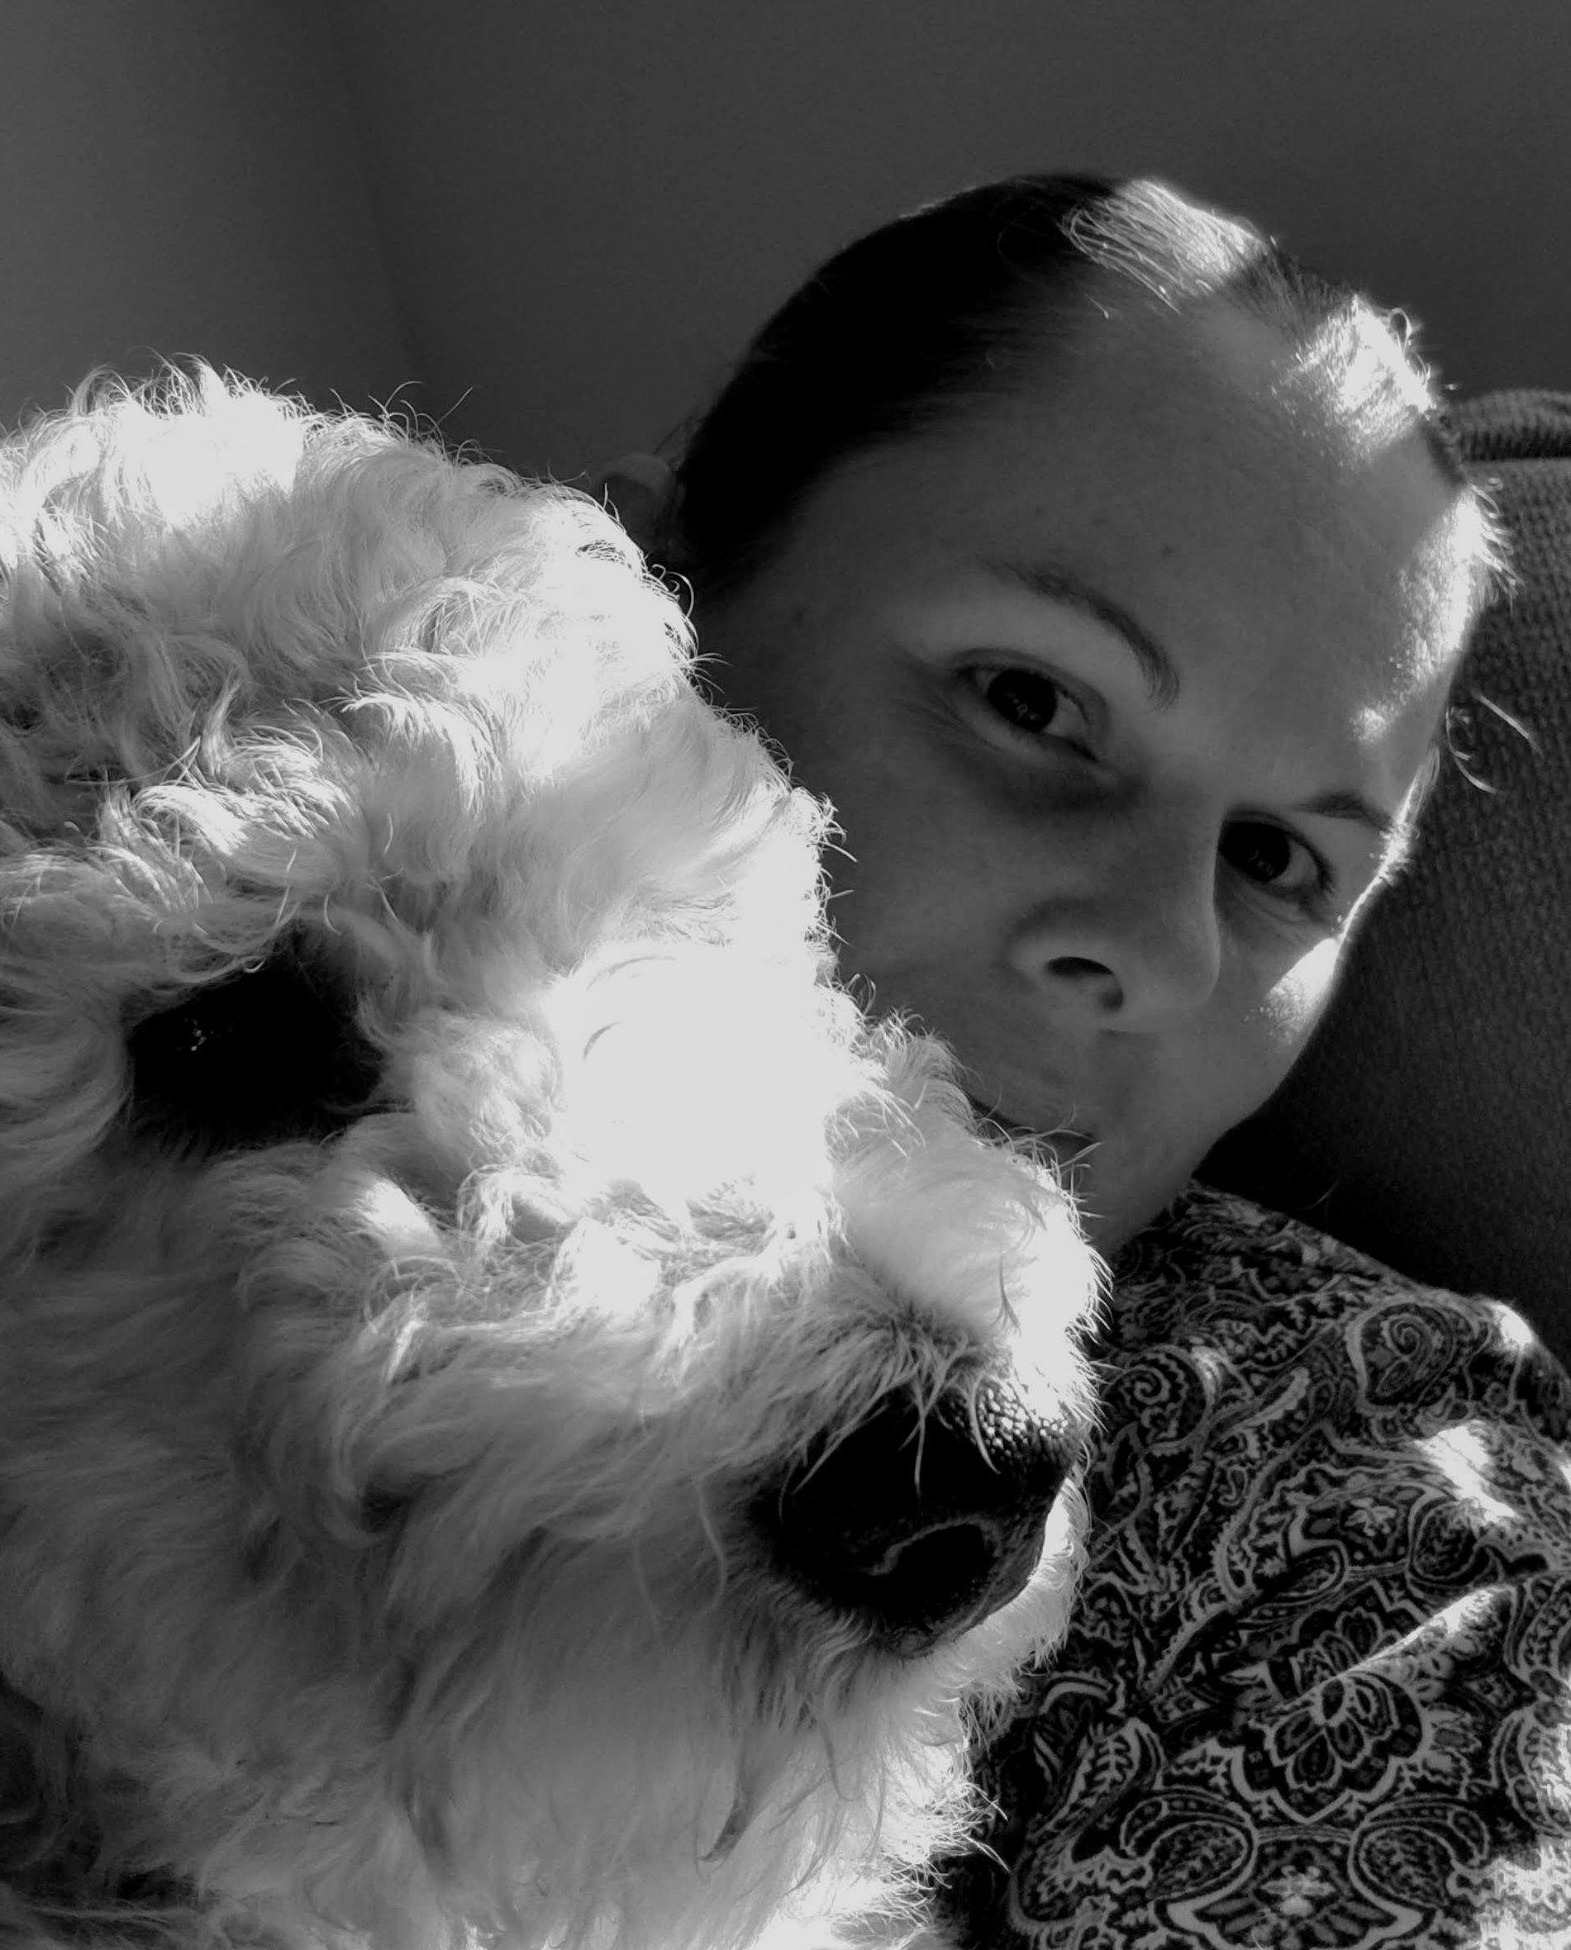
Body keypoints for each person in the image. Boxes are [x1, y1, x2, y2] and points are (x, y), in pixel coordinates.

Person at [606, 176, 1571, 1946]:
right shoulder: (136, 1067)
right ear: (642, 608)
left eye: (1277, 860)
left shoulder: (1353, 1518)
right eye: (1035, 703)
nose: (1155, 948)